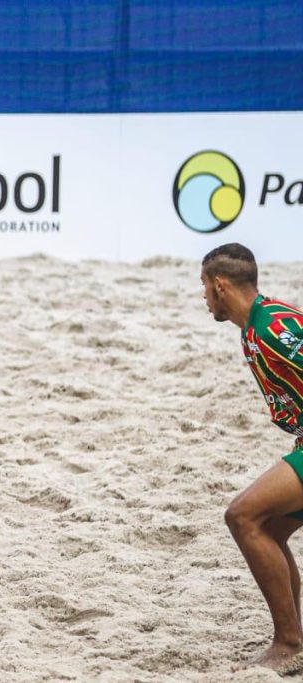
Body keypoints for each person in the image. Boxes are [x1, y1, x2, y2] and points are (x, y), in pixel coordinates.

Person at [205, 243, 303, 673]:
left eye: (204, 287)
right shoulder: (259, 324)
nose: (203, 297)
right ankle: (293, 637)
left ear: (220, 285)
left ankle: (288, 643)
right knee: (267, 528)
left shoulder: (271, 331)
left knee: (242, 516)